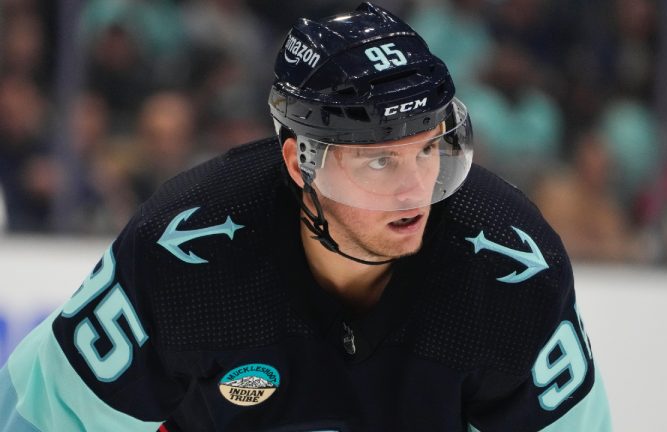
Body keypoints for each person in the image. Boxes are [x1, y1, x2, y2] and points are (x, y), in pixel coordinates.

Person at [0, 3, 611, 431]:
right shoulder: (184, 248)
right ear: (301, 163)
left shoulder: (512, 266)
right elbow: (47, 416)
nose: (415, 190)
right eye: (379, 163)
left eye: (429, 150)